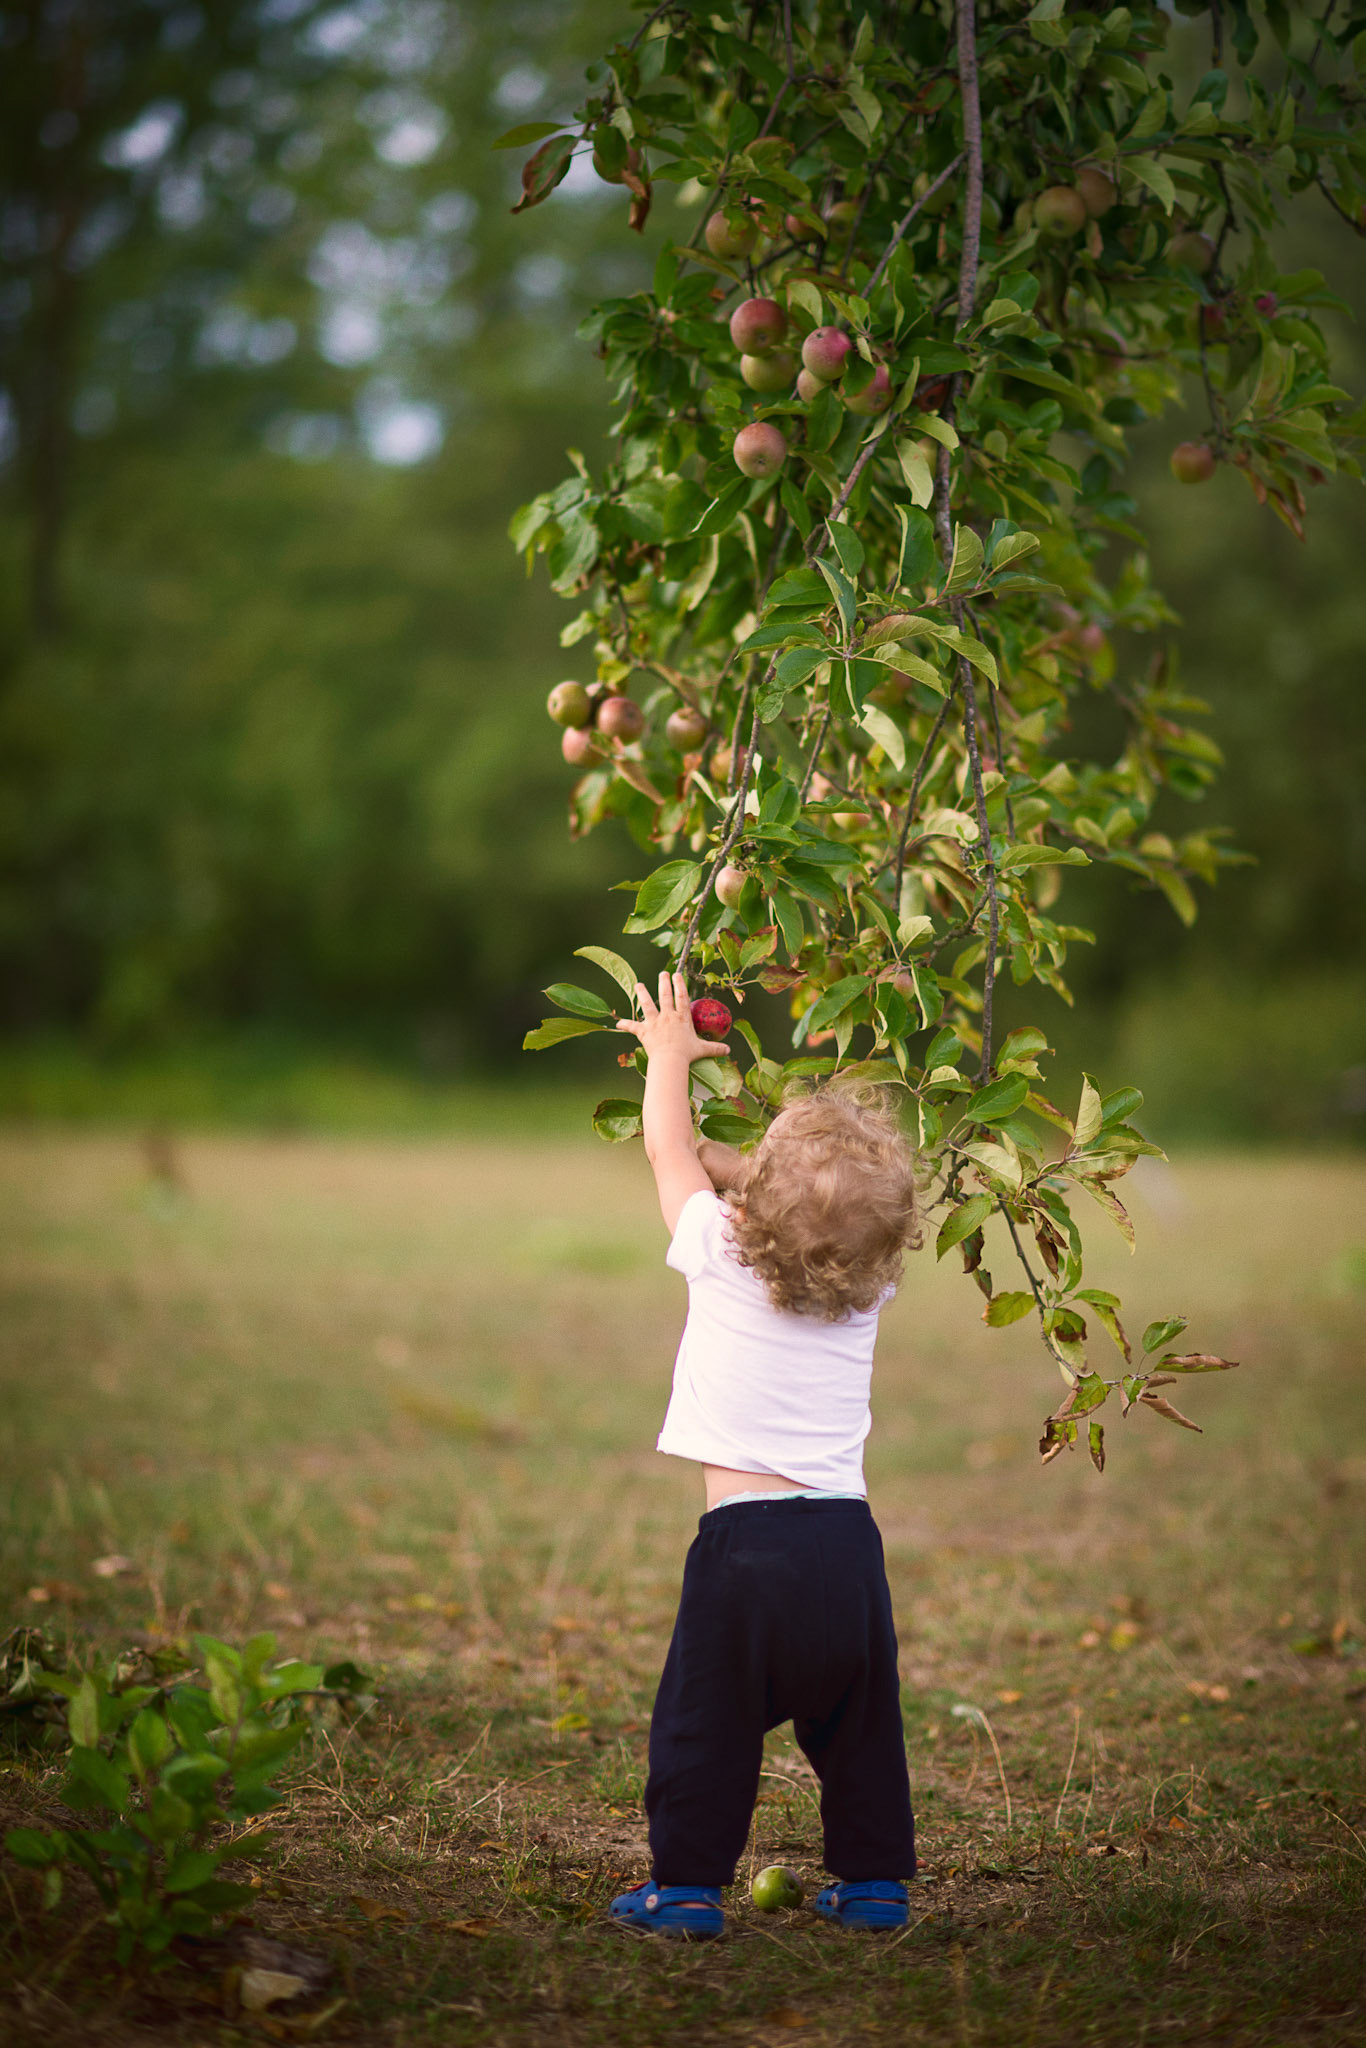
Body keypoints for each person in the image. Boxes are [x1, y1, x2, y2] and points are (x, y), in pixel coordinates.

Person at [605, 971, 920, 1940]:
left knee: (706, 1727)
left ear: (752, 1202)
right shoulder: (867, 1286)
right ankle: (873, 1882)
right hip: (846, 1553)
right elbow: (824, 1217)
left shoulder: (717, 1246)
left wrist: (668, 1056)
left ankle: (687, 1888)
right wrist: (769, 1170)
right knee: (863, 1733)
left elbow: (669, 1152)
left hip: (744, 1557)